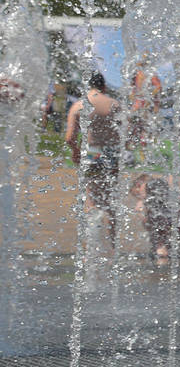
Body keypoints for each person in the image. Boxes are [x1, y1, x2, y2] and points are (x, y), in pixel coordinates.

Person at [65, 71, 122, 247]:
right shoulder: (114, 104)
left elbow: (69, 137)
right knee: (110, 200)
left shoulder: (79, 105)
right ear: (104, 86)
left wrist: (75, 151)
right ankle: (113, 245)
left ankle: (90, 247)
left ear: (88, 86)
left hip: (92, 153)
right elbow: (125, 133)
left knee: (91, 200)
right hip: (112, 153)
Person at [130, 174, 180, 263]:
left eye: (137, 195)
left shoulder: (148, 196)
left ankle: (161, 252)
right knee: (178, 232)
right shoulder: (164, 189)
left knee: (154, 227)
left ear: (139, 186)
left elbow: (152, 224)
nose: (139, 198)